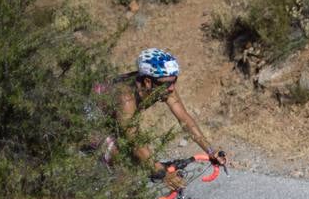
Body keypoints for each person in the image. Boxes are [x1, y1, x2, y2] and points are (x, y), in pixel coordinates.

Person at [94, 48, 225, 188]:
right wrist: (162, 173)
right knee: (124, 164)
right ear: (148, 82)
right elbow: (133, 140)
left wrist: (210, 151)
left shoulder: (164, 86)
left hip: (113, 119)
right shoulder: (126, 97)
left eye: (174, 81)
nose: (171, 88)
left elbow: (184, 119)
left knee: (142, 163)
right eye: (167, 84)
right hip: (90, 121)